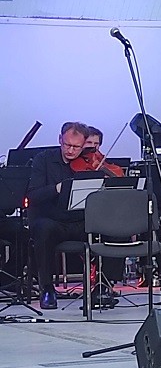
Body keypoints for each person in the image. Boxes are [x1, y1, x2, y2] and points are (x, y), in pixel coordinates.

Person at [28, 122, 124, 309]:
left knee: (116, 228)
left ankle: (104, 286)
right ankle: (47, 288)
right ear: (60, 140)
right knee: (42, 229)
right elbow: (33, 195)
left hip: (82, 221)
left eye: (77, 147)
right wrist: (57, 188)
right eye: (67, 145)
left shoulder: (89, 162)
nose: (71, 151)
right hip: (53, 221)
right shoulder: (43, 160)